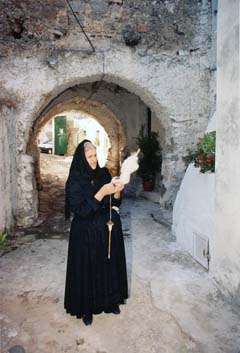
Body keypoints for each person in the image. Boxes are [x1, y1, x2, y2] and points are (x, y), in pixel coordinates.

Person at [64, 140, 128, 325]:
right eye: (90, 157)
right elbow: (81, 210)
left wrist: (116, 192)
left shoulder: (103, 173)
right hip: (85, 233)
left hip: (106, 230)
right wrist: (100, 192)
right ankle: (87, 309)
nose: (93, 160)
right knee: (88, 270)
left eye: (95, 156)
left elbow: (114, 204)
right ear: (82, 158)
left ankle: (110, 301)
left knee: (108, 267)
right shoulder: (75, 180)